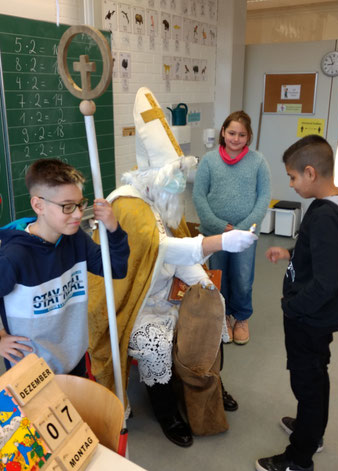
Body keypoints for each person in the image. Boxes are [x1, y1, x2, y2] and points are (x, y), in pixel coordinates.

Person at [88, 87, 258, 448]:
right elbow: (164, 247)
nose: (179, 187)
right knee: (156, 344)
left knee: (211, 315)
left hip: (166, 294)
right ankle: (165, 409)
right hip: (135, 305)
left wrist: (206, 288)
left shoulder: (163, 204)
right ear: (154, 178)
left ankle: (209, 387)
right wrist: (219, 243)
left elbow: (179, 260)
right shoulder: (129, 209)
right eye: (175, 178)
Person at [0, 158, 130, 377]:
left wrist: (113, 229)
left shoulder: (75, 240)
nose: (79, 214)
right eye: (67, 206)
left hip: (74, 357)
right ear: (38, 205)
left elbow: (116, 269)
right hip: (33, 371)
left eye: (80, 204)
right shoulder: (13, 257)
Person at [257, 135, 338, 471]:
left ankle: (299, 458)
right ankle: (313, 431)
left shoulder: (323, 218)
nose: (290, 184)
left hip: (309, 317)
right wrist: (292, 253)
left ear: (310, 173)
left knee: (307, 384)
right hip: (319, 316)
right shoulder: (337, 202)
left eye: (292, 177)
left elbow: (326, 281)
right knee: (316, 376)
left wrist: (292, 306)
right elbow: (323, 257)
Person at [192, 110, 271, 345]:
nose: (236, 138)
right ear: (223, 133)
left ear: (249, 137)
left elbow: (263, 198)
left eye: (242, 134)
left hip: (245, 234)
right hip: (215, 233)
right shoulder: (209, 160)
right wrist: (219, 225)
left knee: (243, 277)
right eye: (231, 133)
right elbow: (199, 196)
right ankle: (223, 316)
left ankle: (241, 318)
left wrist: (243, 228)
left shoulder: (258, 162)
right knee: (218, 276)